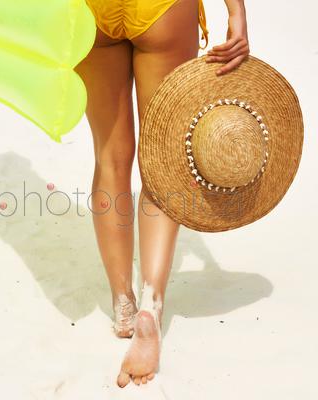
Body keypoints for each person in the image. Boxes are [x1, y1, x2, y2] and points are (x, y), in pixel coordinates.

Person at [74, 0, 250, 388]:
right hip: (162, 9)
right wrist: (236, 13)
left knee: (110, 158)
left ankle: (123, 303)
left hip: (92, 11)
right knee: (162, 159)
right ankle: (150, 305)